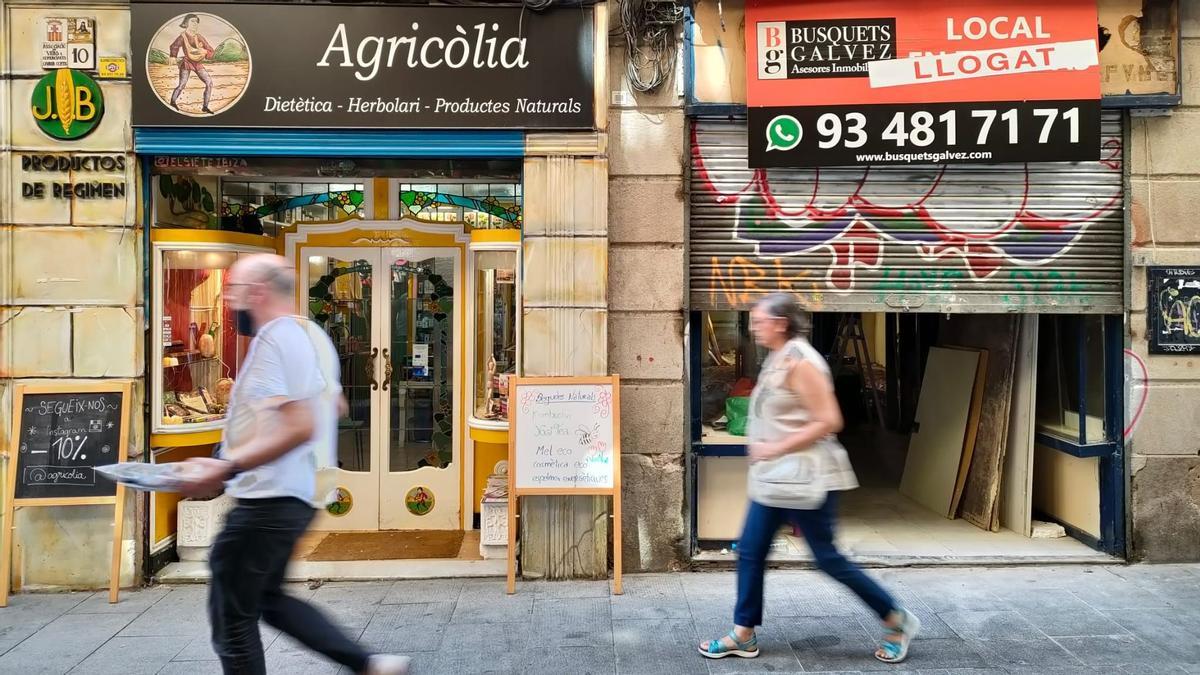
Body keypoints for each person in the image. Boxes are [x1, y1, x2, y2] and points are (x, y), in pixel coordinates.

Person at [178, 254, 409, 675]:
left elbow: (300, 424)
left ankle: (367, 663)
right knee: (268, 599)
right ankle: (368, 663)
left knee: (232, 620)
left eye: (234, 293)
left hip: (266, 499)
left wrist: (226, 465)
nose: (230, 304)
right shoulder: (307, 336)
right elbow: (334, 404)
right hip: (293, 496)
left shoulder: (272, 341)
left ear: (258, 293)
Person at [698, 293, 920, 664]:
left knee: (828, 558)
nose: (754, 327)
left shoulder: (802, 362)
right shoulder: (778, 356)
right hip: (775, 480)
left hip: (806, 479)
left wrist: (775, 447)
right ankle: (743, 633)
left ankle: (897, 620)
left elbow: (829, 420)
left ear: (781, 323)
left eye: (760, 321)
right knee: (751, 551)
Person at [169, 13, 215, 114]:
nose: (195, 23)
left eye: (196, 22)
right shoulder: (182, 36)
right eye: (192, 21)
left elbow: (210, 50)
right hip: (186, 62)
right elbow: (174, 46)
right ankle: (172, 102)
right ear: (186, 23)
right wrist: (173, 56)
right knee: (182, 84)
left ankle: (205, 107)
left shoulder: (199, 37)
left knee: (209, 83)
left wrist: (205, 52)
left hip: (197, 63)